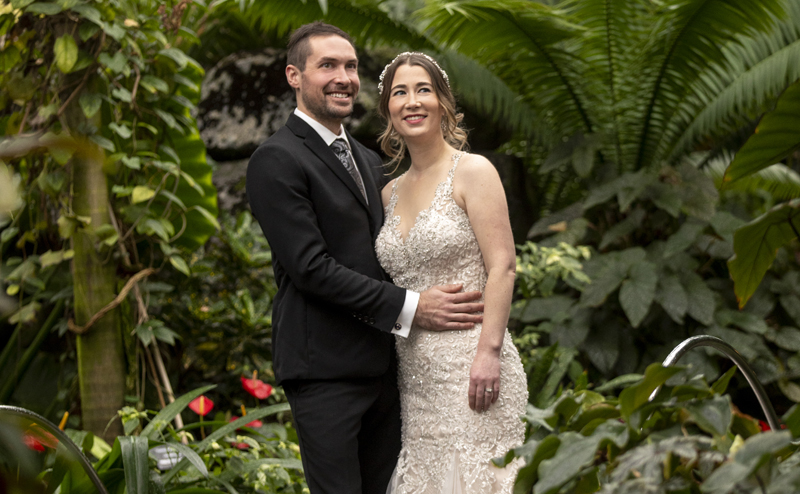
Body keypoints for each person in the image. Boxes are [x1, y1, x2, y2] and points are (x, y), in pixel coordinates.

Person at [246, 23, 485, 494]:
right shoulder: (275, 159)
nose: (343, 77)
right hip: (325, 372)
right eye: (327, 65)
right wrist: (414, 306)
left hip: (388, 368)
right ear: (294, 75)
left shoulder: (369, 160)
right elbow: (310, 268)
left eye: (351, 66)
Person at [374, 52, 529, 494]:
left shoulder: (473, 171)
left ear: (443, 103)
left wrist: (489, 352)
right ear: (388, 109)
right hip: (415, 380)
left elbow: (503, 265)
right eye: (399, 92)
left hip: (474, 369)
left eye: (423, 89)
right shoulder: (387, 193)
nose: (412, 101)